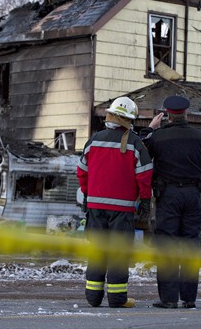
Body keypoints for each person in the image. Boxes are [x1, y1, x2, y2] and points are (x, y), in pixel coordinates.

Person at [77, 96, 153, 308]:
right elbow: (145, 174)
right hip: (121, 209)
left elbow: (82, 171)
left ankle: (93, 297)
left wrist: (87, 195)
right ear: (129, 120)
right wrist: (145, 200)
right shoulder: (135, 142)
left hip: (95, 207)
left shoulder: (94, 139)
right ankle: (117, 299)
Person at [140, 95, 201, 310]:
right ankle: (189, 298)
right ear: (186, 113)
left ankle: (169, 299)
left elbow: (142, 151)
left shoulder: (158, 137)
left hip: (168, 195)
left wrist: (151, 129)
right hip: (193, 194)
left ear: (167, 114)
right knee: (190, 245)